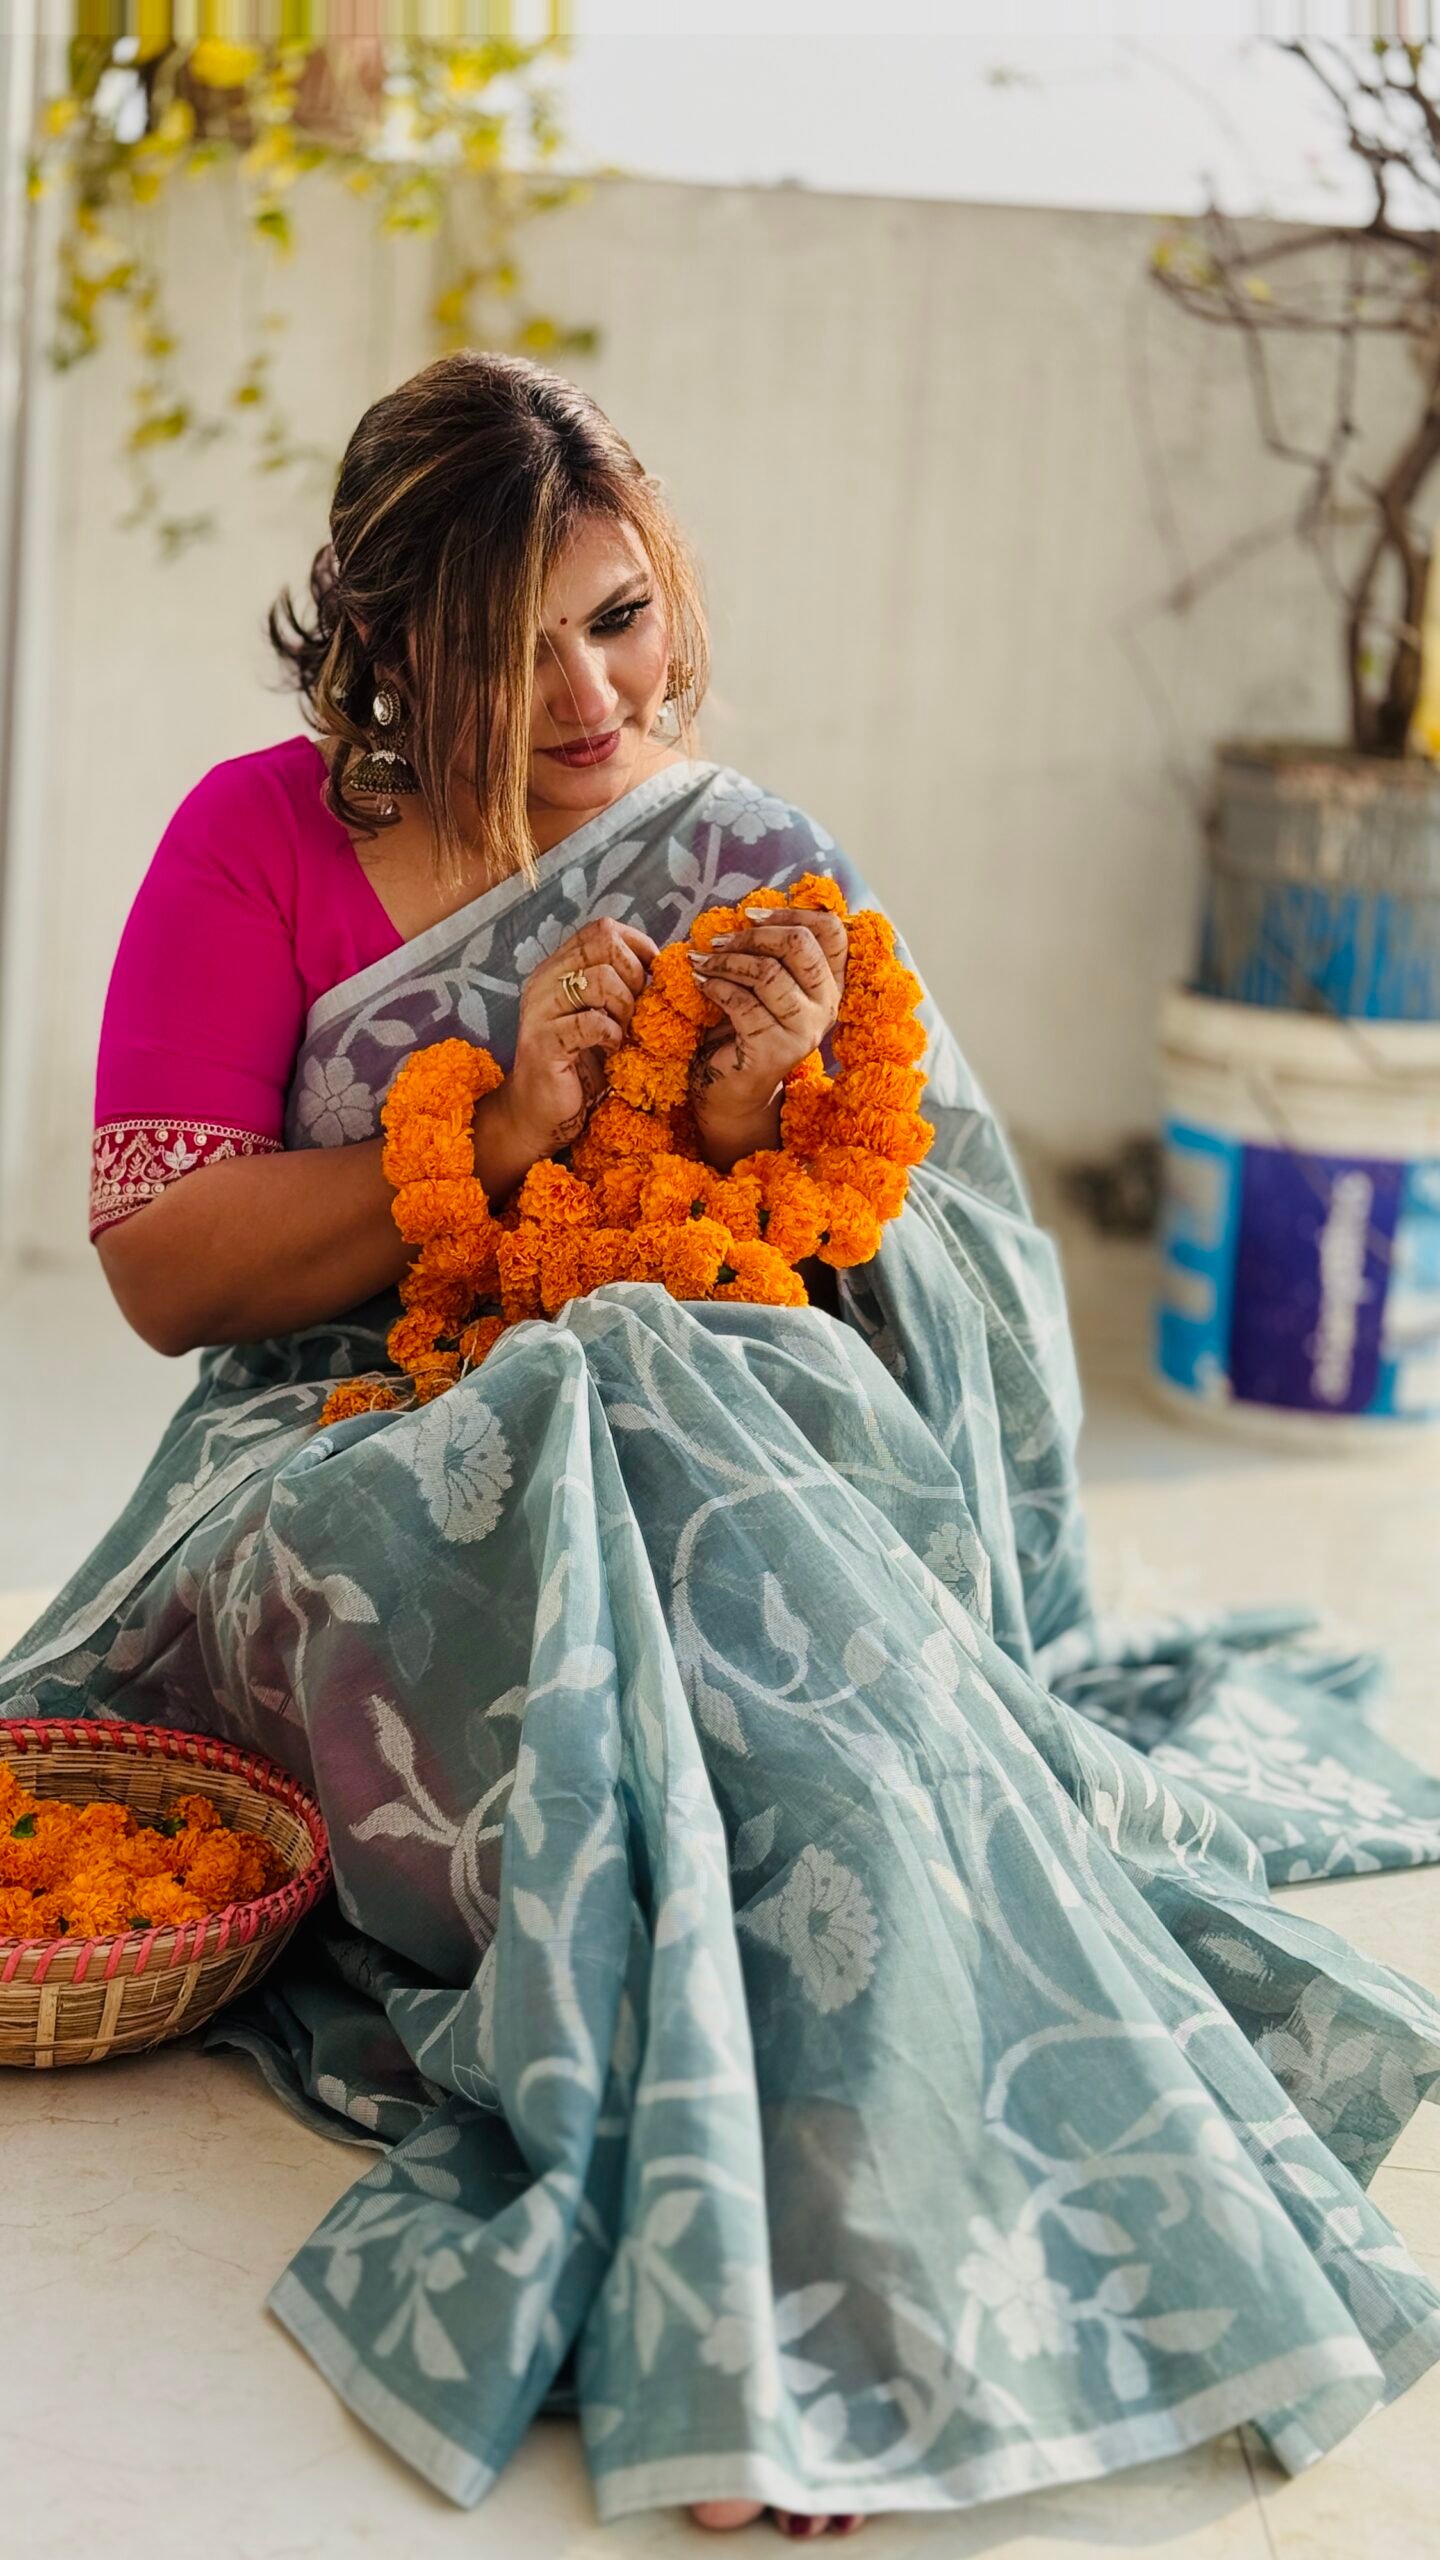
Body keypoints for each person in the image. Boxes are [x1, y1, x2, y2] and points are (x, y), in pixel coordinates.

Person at [4, 353, 1439, 2535]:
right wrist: (487, 1126)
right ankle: (789, 2253)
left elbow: (923, 1274)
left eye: (624, 612)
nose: (595, 690)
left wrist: (750, 1130)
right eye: (516, 643)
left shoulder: (749, 858)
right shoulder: (260, 843)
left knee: (679, 1420)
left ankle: (869, 2231)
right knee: (625, 1421)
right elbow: (169, 1264)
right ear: (386, 640)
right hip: (355, 1449)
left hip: (714, 1419)